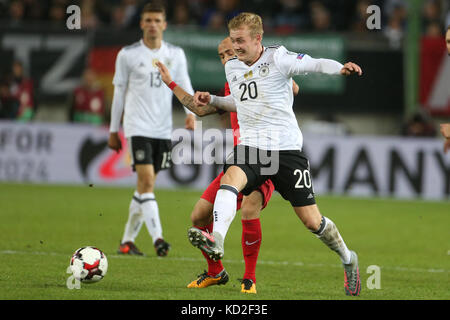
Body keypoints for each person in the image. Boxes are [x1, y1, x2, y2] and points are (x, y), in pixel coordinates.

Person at [190, 12, 363, 296]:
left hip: (286, 151)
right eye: (233, 41)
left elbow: (315, 63)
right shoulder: (232, 67)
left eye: (241, 41)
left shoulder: (278, 58)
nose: (235, 47)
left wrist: (340, 68)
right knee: (230, 180)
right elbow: (240, 102)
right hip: (252, 147)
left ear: (258, 39)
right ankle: (217, 239)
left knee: (312, 221)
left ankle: (348, 258)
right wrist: (215, 100)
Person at [156, 37, 299, 294]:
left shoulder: (262, 73)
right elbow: (199, 110)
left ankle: (249, 279)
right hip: (240, 161)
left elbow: (294, 87)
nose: (225, 58)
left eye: (230, 52)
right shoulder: (231, 83)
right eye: (221, 55)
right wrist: (170, 82)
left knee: (249, 207)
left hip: (267, 156)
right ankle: (215, 272)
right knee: (198, 216)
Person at [108, 2, 196, 257]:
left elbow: (185, 83)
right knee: (147, 183)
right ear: (141, 23)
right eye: (148, 20)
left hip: (162, 129)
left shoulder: (175, 54)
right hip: (137, 127)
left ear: (165, 25)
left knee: (144, 189)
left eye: (157, 20)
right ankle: (158, 239)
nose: (153, 25)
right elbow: (119, 92)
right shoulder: (128, 54)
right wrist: (114, 130)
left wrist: (191, 113)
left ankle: (127, 242)